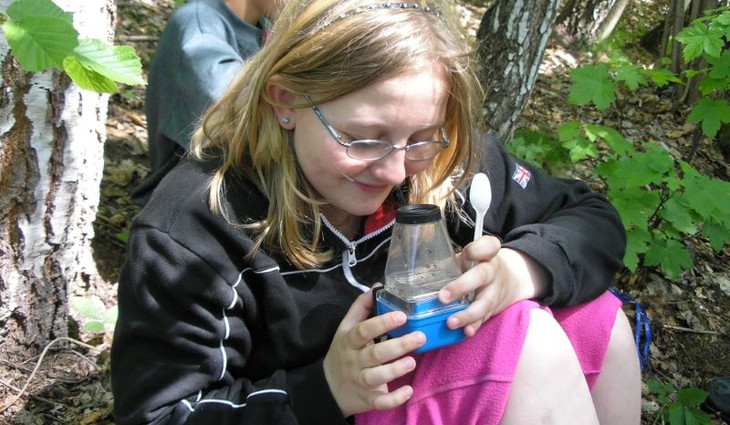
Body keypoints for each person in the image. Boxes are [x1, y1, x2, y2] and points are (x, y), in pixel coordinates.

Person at [111, 0, 642, 424]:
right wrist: (325, 389)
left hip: (418, 391)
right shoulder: (197, 226)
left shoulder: (444, 163)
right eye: (363, 138)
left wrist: (519, 270)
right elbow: (159, 413)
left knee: (593, 318)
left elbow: (590, 217)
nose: (394, 170)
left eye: (422, 136)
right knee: (528, 339)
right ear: (285, 101)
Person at [132, 0, 283, 205]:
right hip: (192, 202)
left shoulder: (260, 28)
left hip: (235, 190)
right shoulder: (199, 23)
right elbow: (239, 111)